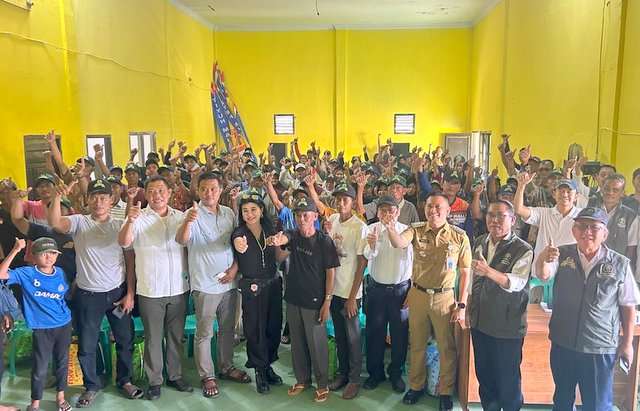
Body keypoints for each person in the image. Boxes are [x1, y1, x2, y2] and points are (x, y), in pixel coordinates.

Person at [48, 179, 143, 407]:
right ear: (87, 199)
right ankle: (92, 385)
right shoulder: (79, 222)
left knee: (125, 340)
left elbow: (130, 262)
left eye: (103, 197)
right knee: (87, 346)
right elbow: (55, 223)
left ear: (111, 200)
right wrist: (57, 197)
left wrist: (130, 294)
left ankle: (125, 380)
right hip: (88, 296)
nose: (98, 202)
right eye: (94, 197)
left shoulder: (120, 224)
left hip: (118, 294)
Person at [535, 207, 640, 411]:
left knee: (597, 404)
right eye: (582, 227)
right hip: (563, 343)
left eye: (594, 228)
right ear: (574, 231)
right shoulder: (561, 254)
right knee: (562, 401)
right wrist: (542, 258)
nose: (587, 232)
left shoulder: (618, 264)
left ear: (605, 234)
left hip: (599, 347)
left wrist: (627, 343)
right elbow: (543, 275)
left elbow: (628, 306)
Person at [387, 193, 472, 410]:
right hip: (418, 296)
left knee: (446, 347)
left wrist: (461, 305)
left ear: (448, 211)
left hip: (445, 298)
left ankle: (445, 391)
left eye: (438, 207)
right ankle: (415, 386)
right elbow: (399, 243)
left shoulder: (459, 236)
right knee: (417, 344)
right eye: (429, 206)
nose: (433, 210)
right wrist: (390, 228)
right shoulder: (416, 230)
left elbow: (465, 272)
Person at [118, 175, 192, 400]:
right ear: (145, 194)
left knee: (176, 336)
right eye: (151, 191)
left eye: (161, 190)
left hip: (178, 287)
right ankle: (155, 380)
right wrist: (130, 221)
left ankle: (175, 375)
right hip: (150, 289)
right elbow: (124, 242)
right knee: (153, 337)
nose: (156, 195)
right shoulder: (138, 217)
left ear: (169, 193)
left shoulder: (181, 217)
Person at [175, 172, 248, 399]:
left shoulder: (228, 213)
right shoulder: (192, 214)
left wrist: (234, 269)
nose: (209, 193)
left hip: (229, 282)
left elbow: (237, 242)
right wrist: (188, 221)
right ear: (198, 191)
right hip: (205, 284)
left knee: (227, 329)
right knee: (205, 332)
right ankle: (207, 376)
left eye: (213, 189)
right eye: (204, 189)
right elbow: (181, 240)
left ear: (220, 190)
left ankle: (226, 367)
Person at [266, 196, 340, 403]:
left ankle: (322, 384)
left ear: (315, 216)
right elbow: (281, 252)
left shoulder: (323, 241)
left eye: (305, 215)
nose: (301, 219)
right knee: (297, 342)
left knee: (317, 344)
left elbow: (331, 272)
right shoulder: (294, 235)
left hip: (315, 301)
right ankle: (303, 380)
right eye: (298, 215)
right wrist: (277, 242)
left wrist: (327, 302)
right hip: (293, 298)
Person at [468, 200, 533, 411]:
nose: (494, 220)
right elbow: (473, 280)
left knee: (508, 379)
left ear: (512, 220)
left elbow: (517, 282)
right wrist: (468, 308)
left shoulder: (522, 249)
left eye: (500, 216)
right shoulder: (480, 241)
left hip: (507, 326)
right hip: (480, 321)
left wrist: (488, 271)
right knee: (485, 376)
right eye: (490, 215)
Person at [0, 237, 72, 411]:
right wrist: (15, 249)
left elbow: (66, 295)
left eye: (53, 253)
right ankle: (35, 404)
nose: (49, 257)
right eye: (44, 253)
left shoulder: (60, 272)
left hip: (63, 324)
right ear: (33, 256)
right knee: (40, 367)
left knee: (62, 363)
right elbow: (1, 274)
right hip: (42, 328)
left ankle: (60, 398)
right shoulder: (27, 273)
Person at [231, 189, 287, 394]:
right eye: (245, 210)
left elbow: (279, 257)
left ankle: (267, 365)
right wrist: (239, 245)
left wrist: (287, 244)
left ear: (261, 211)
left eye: (253, 209)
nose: (249, 214)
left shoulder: (270, 230)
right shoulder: (239, 233)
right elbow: (238, 244)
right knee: (255, 329)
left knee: (273, 327)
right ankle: (259, 370)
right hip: (252, 288)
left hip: (272, 285)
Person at [362, 194, 413, 393]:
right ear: (377, 212)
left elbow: (415, 263)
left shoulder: (407, 231)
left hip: (401, 291)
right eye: (383, 211)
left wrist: (412, 290)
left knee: (400, 335)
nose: (387, 214)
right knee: (375, 333)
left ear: (397, 212)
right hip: (377, 290)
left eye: (390, 210)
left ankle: (396, 374)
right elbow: (367, 256)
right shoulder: (371, 229)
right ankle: (375, 373)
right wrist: (372, 245)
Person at [324, 182, 368, 399]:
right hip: (333, 290)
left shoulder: (359, 227)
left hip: (350, 293)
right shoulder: (332, 220)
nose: (341, 203)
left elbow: (361, 263)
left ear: (352, 202)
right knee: (340, 336)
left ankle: (354, 378)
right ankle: (342, 373)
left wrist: (352, 297)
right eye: (338, 199)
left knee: (353, 338)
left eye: (345, 200)